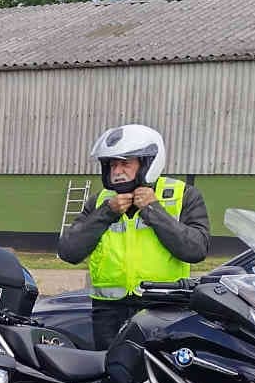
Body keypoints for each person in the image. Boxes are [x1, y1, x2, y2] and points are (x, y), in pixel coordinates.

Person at [57, 124, 211, 349]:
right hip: (109, 313)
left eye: (125, 163)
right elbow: (68, 251)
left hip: (164, 309)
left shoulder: (182, 195)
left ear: (147, 163)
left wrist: (153, 210)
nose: (117, 171)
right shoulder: (100, 202)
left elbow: (196, 250)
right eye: (112, 164)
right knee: (111, 377)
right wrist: (106, 213)